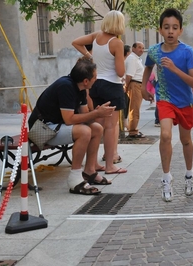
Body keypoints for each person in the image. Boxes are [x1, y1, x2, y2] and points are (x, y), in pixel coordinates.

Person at [28, 58, 116, 195]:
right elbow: (69, 119)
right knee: (84, 132)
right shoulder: (66, 87)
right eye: (95, 77)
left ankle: (90, 171)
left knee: (96, 128)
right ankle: (75, 179)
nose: (96, 80)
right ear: (86, 81)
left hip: (55, 126)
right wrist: (96, 113)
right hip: (41, 130)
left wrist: (98, 113)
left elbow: (85, 115)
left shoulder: (80, 88)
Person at [141, 8, 193, 202]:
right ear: (160, 30)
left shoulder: (187, 52)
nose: (171, 31)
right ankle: (166, 178)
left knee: (185, 140)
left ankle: (189, 174)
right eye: (167, 27)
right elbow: (148, 66)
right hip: (165, 99)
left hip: (185, 101)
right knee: (165, 135)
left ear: (180, 30)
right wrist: (143, 87)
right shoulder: (155, 51)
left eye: (175, 27)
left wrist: (174, 69)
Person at [72, 10, 127, 175]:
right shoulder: (116, 43)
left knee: (97, 125)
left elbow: (75, 42)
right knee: (110, 127)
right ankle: (110, 164)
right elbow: (120, 71)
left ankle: (93, 163)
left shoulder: (96, 36)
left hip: (96, 85)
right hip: (112, 86)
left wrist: (90, 57)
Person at [125, 42, 146, 138]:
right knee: (134, 109)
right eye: (139, 47)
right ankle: (133, 132)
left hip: (138, 85)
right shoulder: (132, 59)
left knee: (135, 108)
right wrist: (126, 87)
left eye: (143, 48)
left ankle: (133, 129)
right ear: (133, 48)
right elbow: (129, 75)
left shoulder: (135, 59)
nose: (141, 50)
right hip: (135, 85)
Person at [122, 44, 132, 131]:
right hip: (123, 85)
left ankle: (125, 122)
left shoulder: (123, 61)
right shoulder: (124, 62)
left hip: (123, 84)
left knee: (126, 103)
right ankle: (125, 123)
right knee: (125, 104)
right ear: (128, 53)